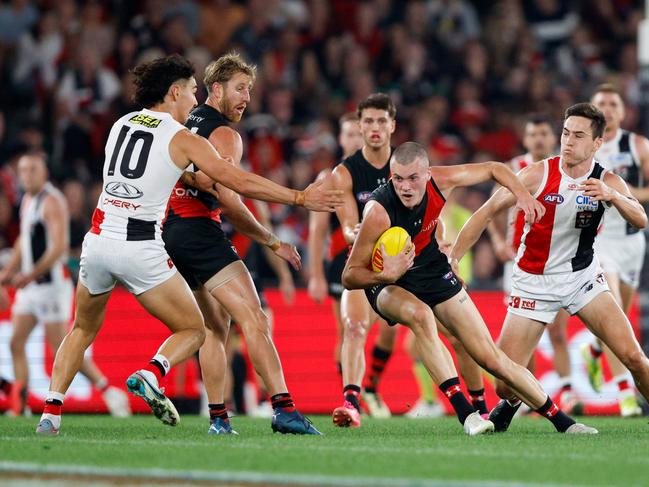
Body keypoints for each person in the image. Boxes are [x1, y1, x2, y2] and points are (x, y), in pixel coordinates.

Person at [35, 54, 341, 435]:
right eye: (192, 92)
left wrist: (193, 178)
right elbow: (234, 184)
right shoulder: (187, 137)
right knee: (207, 327)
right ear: (175, 91)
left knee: (82, 329)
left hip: (98, 240)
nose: (194, 101)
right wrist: (297, 201)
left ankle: (50, 414)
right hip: (151, 242)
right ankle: (160, 374)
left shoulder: (120, 125)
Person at [344, 140, 597, 435]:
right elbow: (350, 276)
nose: (405, 186)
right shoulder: (378, 211)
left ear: (428, 175)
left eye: (413, 178)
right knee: (421, 316)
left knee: (491, 356)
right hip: (388, 284)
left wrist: (523, 195)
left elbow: (494, 169)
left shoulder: (442, 180)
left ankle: (564, 423)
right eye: (398, 179)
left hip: (431, 270)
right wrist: (384, 275)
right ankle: (468, 414)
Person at [451, 103, 649, 432]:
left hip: (583, 279)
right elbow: (486, 211)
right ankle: (513, 399)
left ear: (597, 144)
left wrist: (612, 195)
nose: (568, 141)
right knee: (502, 383)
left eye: (579, 136)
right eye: (566, 133)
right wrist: (454, 256)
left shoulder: (606, 179)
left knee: (633, 357)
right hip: (533, 281)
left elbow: (640, 218)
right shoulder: (536, 173)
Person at [0, 152, 130, 418]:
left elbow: (58, 247)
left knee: (63, 346)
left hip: (51, 286)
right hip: (33, 287)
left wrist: (28, 274)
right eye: (23, 170)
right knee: (16, 342)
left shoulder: (52, 201)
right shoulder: (28, 200)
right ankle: (21, 405)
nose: (27, 175)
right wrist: (10, 272)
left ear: (44, 172)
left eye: (33, 170)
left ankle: (108, 391)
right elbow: (23, 242)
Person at [486, 114, 580, 412]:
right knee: (523, 338)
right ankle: (530, 396)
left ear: (552, 138)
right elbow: (491, 210)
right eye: (533, 134)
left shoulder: (565, 169)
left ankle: (568, 392)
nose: (539, 139)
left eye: (543, 134)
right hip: (517, 265)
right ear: (525, 139)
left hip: (556, 263)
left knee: (556, 331)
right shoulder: (514, 169)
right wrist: (500, 242)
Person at [329, 94, 402, 425]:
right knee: (353, 327)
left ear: (392, 126)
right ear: (360, 126)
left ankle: (473, 405)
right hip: (363, 267)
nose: (374, 128)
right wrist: (353, 231)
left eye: (381, 121)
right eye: (368, 122)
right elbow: (346, 225)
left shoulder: (406, 166)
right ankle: (352, 402)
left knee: (451, 332)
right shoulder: (345, 172)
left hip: (405, 264)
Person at [582, 84, 649, 417]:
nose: (607, 108)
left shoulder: (637, 145)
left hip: (631, 242)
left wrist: (618, 192)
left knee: (616, 319)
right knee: (614, 314)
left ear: (623, 112)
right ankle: (625, 394)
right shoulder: (583, 147)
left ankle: (594, 351)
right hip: (599, 241)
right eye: (601, 103)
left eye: (613, 103)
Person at [308, 112, 363, 379]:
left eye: (360, 134)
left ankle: (368, 388)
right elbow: (317, 231)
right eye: (350, 134)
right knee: (347, 329)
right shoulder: (328, 177)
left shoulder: (379, 174)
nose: (355, 140)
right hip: (342, 261)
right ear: (341, 139)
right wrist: (316, 276)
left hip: (377, 261)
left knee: (383, 329)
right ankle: (350, 396)